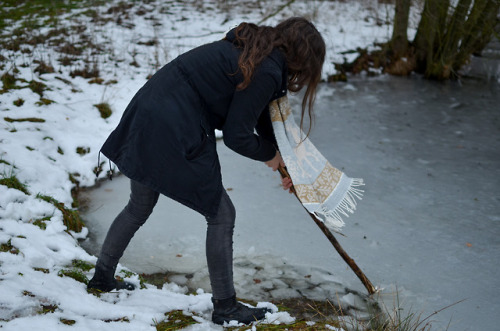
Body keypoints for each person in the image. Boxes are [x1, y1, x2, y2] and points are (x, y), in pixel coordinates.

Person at [87, 17, 326, 325]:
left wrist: (283, 164)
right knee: (221, 214)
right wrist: (270, 155)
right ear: (304, 58)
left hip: (151, 109)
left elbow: (260, 117)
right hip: (176, 121)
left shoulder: (256, 52)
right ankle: (226, 308)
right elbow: (237, 136)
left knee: (140, 204)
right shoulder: (267, 68)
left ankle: (102, 279)